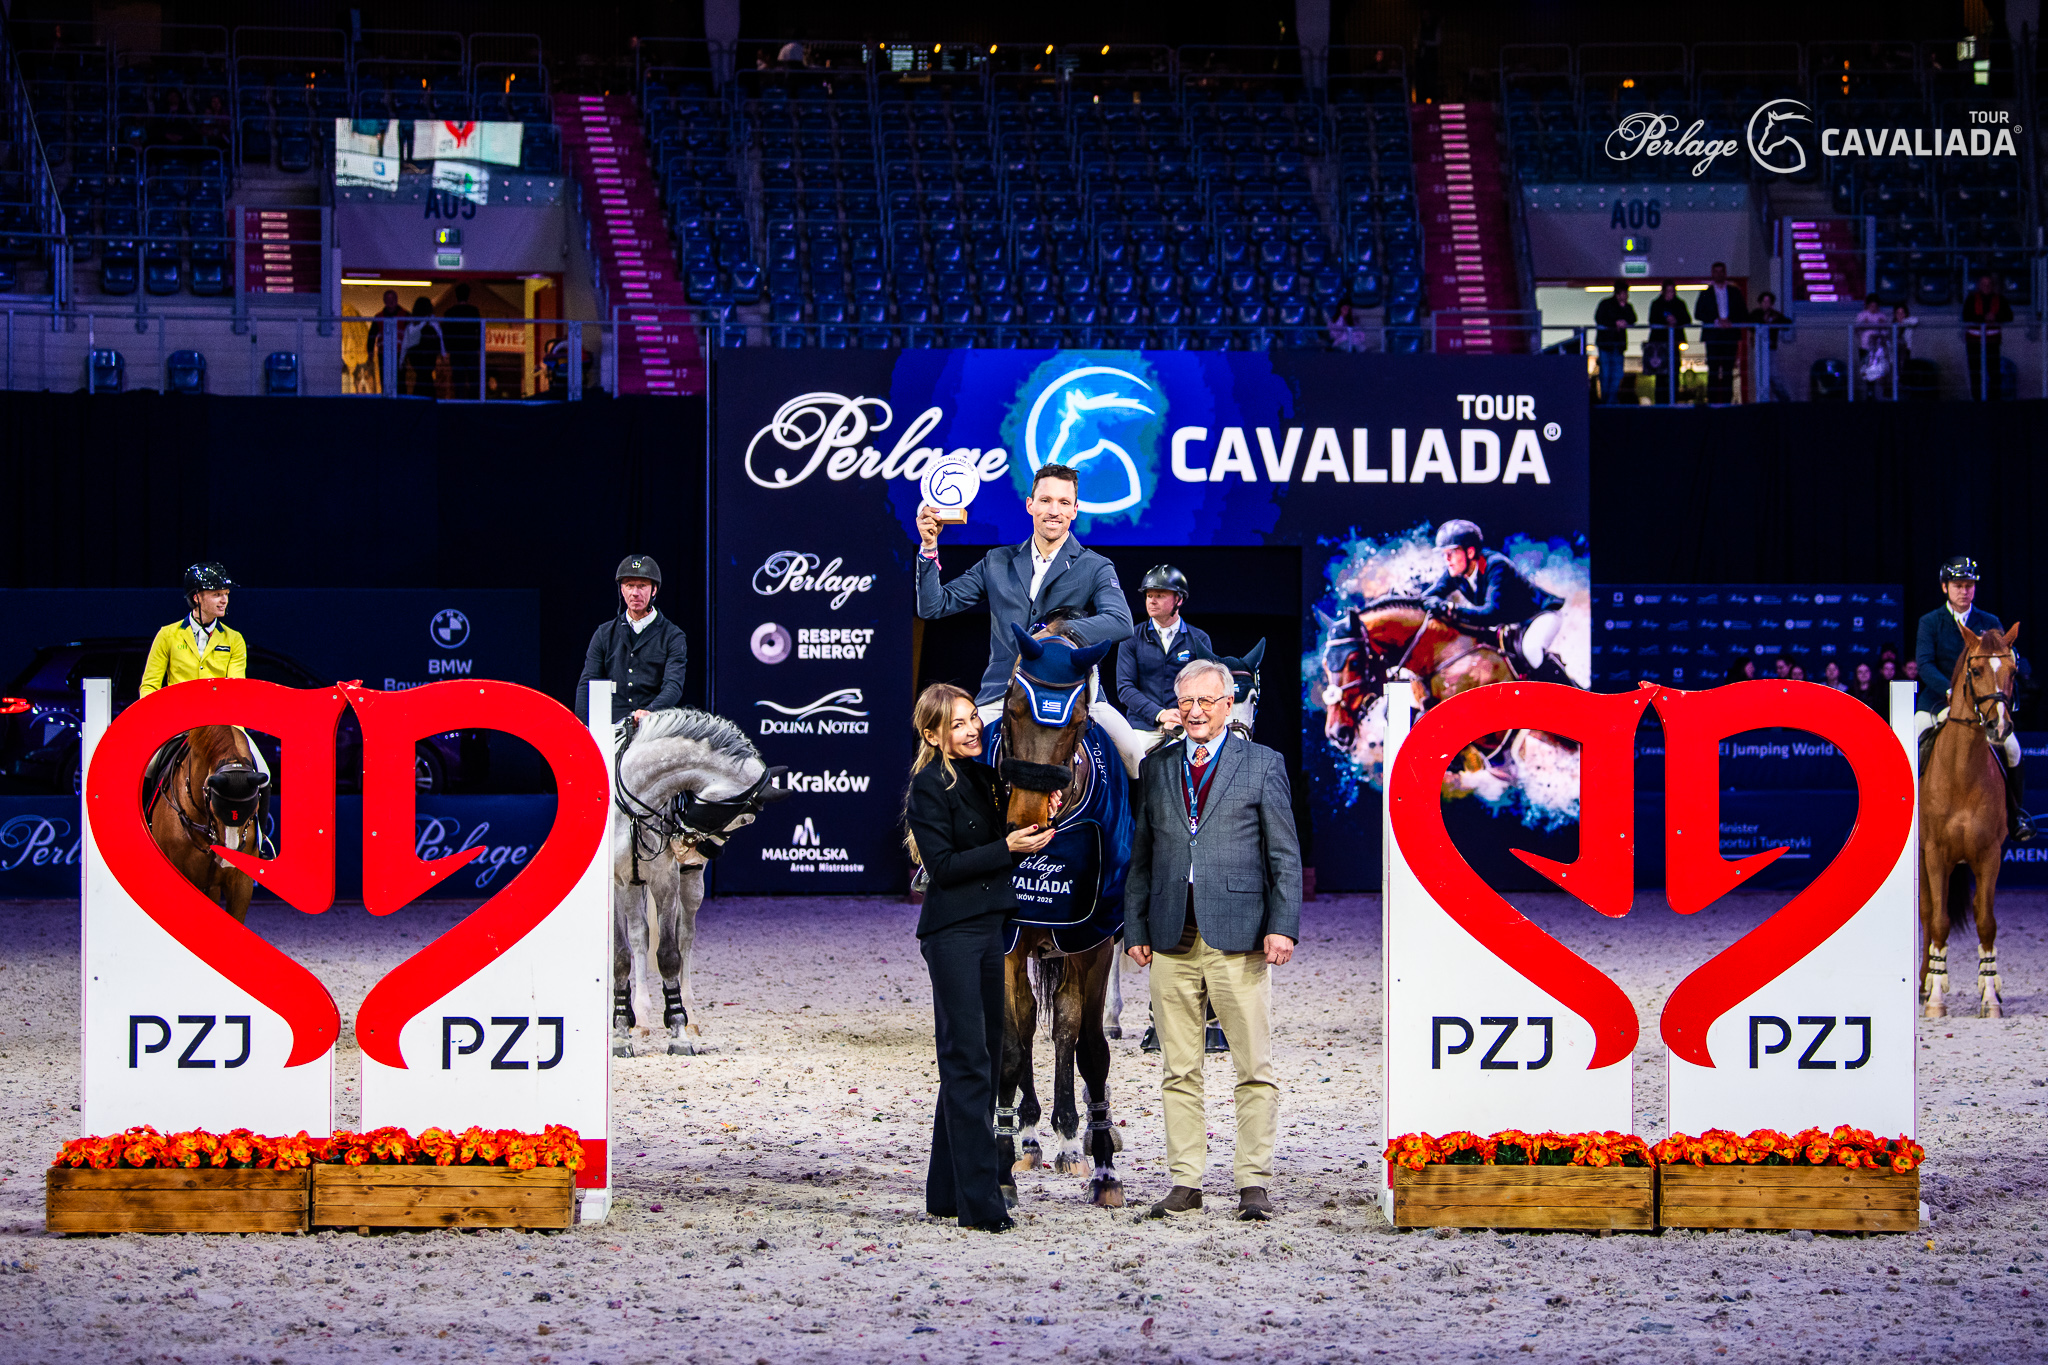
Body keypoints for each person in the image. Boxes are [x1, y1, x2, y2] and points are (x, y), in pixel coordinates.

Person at [1125, 658, 1301, 1222]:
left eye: (1206, 701)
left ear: (1228, 705)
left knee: (1253, 1066)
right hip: (1170, 935)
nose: (1195, 711)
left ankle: (1253, 1183)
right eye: (1186, 702)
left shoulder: (1262, 763)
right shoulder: (1157, 767)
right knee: (1179, 1069)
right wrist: (1136, 928)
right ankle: (1186, 1182)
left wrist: (1282, 925)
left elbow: (1284, 854)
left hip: (1240, 936)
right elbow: (1143, 856)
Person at [902, 682, 1060, 1233]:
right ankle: (980, 1204)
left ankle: (946, 1192)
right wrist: (1006, 848)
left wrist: (1036, 827)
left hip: (990, 928)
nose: (973, 729)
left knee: (984, 1061)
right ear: (932, 735)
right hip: (952, 934)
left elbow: (1002, 851)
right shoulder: (927, 788)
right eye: (958, 724)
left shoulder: (986, 777)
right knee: (967, 1060)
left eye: (973, 718)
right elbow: (944, 867)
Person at [915, 463, 1134, 727]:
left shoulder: (1095, 566)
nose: (1054, 511)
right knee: (955, 745)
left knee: (1131, 749)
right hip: (1001, 696)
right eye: (1045, 500)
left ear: (1074, 510)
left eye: (1064, 502)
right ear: (1030, 505)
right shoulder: (996, 561)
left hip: (1070, 693)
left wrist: (1053, 632)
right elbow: (933, 606)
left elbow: (1121, 622)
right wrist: (929, 547)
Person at [1916, 555, 2033, 840]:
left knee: (2013, 748)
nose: (1964, 591)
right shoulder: (1930, 622)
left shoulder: (1989, 622)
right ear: (1945, 587)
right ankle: (1903, 812)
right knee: (1910, 741)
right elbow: (1925, 664)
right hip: (1938, 701)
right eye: (1958, 585)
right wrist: (1950, 691)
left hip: (1981, 706)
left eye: (1969, 585)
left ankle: (2016, 814)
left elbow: (2001, 662)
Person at [139, 562, 269, 782]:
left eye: (226, 594)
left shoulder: (234, 639)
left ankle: (257, 807)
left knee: (264, 772)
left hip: (221, 724)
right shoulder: (167, 635)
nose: (224, 600)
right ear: (197, 597)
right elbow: (150, 685)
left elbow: (236, 689)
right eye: (217, 594)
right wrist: (158, 720)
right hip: (177, 723)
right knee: (147, 769)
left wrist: (235, 731)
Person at [1421, 520, 1570, 685]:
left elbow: (1491, 614)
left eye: (1452, 552)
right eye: (1444, 554)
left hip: (1540, 616)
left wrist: (1451, 609)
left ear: (1470, 552)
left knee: (1531, 649)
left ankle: (1570, 693)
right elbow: (1425, 598)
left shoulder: (1496, 566)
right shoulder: (1455, 573)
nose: (1447, 559)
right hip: (1513, 624)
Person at [574, 555, 689, 727]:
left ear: (654, 590)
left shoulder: (673, 636)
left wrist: (650, 711)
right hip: (611, 726)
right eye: (629, 586)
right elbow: (587, 685)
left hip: (653, 725)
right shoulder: (604, 633)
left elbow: (673, 685)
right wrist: (583, 727)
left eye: (642, 586)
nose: (635, 593)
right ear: (622, 589)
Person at [1116, 565, 1215, 733]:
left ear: (1179, 600)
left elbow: (1206, 687)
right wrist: (1160, 714)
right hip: (1143, 727)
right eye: (1149, 596)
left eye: (1160, 595)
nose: (1152, 601)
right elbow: (1125, 688)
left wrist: (1182, 716)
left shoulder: (1200, 638)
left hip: (1186, 723)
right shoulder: (1131, 638)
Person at [1692, 262, 1747, 406]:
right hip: (1713, 336)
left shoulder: (1734, 292)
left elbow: (1743, 311)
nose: (1719, 274)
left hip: (1730, 335)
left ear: (1725, 273)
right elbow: (1698, 313)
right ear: (1712, 273)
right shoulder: (1706, 293)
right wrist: (1716, 320)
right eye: (1716, 271)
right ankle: (1713, 403)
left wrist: (1730, 321)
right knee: (1713, 370)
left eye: (1721, 271)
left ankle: (1727, 403)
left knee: (1728, 369)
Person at [1962, 273, 2012, 401]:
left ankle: (1994, 401)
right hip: (1974, 342)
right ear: (1979, 285)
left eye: (1989, 284)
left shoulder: (1999, 299)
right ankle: (1977, 400)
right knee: (1975, 372)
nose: (1986, 287)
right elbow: (1966, 315)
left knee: (1994, 372)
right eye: (1984, 284)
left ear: (1993, 286)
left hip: (1992, 342)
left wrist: (1996, 317)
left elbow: (2009, 315)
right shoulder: (1971, 299)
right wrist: (1983, 318)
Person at [1643, 278, 1690, 405]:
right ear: (1663, 291)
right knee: (1660, 376)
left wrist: (1676, 320)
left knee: (1674, 374)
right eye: (1668, 291)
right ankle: (1660, 403)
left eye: (1672, 291)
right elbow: (1652, 320)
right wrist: (1666, 321)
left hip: (1674, 344)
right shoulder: (1656, 304)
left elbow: (1687, 319)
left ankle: (1673, 401)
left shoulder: (1679, 304)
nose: (1670, 294)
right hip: (1660, 346)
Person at [1592, 279, 1636, 405]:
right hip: (1606, 345)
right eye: (1624, 293)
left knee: (1617, 374)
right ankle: (1606, 400)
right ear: (1618, 293)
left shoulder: (1627, 307)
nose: (1626, 296)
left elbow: (1633, 318)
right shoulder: (1606, 304)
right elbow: (1599, 318)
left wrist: (1623, 315)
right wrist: (1615, 323)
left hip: (1618, 345)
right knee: (1606, 374)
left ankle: (1610, 400)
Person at [442, 283, 484, 399]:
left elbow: (446, 332)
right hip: (471, 349)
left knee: (458, 380)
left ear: (456, 296)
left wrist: (448, 349)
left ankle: (459, 401)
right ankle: (474, 402)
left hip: (456, 351)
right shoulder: (473, 311)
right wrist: (478, 346)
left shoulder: (449, 313)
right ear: (468, 295)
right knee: (473, 379)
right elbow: (479, 329)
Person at [1751, 291, 1792, 401]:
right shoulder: (1756, 314)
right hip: (1758, 349)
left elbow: (1787, 323)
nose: (1766, 304)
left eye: (1768, 302)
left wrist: (1774, 321)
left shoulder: (1775, 315)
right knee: (1760, 374)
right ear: (1760, 303)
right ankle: (1762, 399)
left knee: (1773, 374)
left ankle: (1783, 399)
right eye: (1764, 302)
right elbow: (1750, 324)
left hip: (1771, 349)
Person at [402, 296, 443, 397]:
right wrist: (441, 353)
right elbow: (439, 338)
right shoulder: (432, 324)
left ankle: (420, 397)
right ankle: (428, 397)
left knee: (421, 377)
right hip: (429, 354)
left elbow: (407, 340)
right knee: (426, 378)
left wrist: (404, 357)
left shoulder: (413, 324)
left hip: (417, 354)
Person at [1855, 294, 1892, 400]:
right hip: (1865, 347)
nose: (1873, 308)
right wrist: (1864, 324)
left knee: (1877, 372)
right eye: (1871, 306)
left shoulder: (1882, 316)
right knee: (1867, 371)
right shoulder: (1862, 315)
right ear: (1867, 305)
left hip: (1878, 348)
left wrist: (1882, 325)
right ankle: (1869, 394)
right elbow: (1856, 331)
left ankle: (1877, 394)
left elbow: (1886, 333)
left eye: (1875, 306)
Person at [369, 289, 406, 391]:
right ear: (384, 301)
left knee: (400, 381)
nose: (391, 302)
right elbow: (372, 335)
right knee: (385, 381)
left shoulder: (405, 315)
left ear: (396, 300)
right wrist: (370, 352)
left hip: (400, 354)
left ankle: (401, 398)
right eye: (388, 300)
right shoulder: (379, 317)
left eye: (392, 300)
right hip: (384, 354)